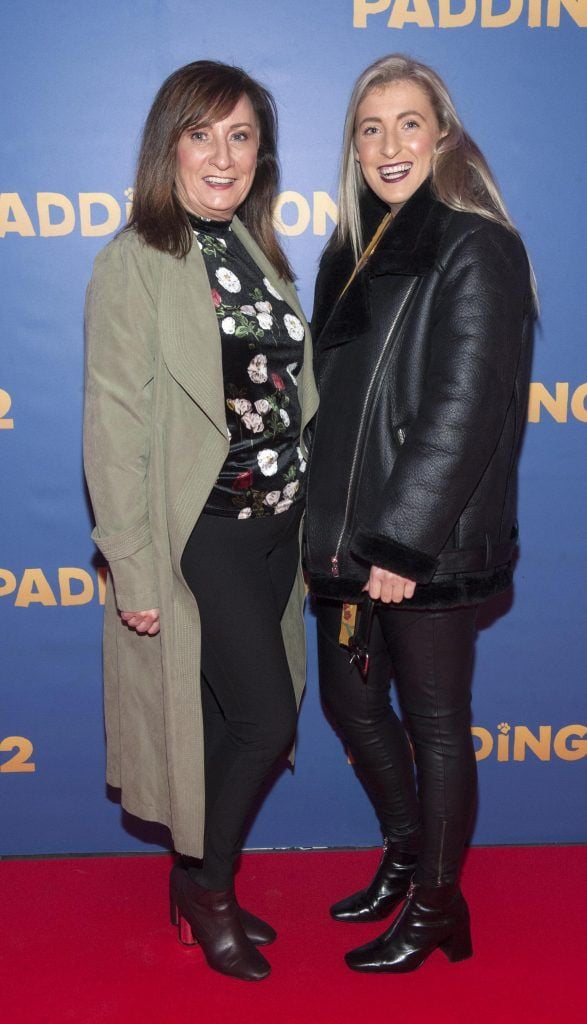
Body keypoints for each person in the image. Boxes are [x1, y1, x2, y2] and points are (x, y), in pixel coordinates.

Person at [84, 60, 318, 982]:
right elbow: (115, 425)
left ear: (261, 155)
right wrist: (134, 568)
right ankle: (205, 888)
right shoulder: (137, 259)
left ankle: (197, 872)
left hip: (275, 532)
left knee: (233, 716)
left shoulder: (256, 249)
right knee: (266, 718)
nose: (222, 156)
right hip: (204, 534)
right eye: (201, 134)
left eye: (242, 136)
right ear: (167, 146)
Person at [305, 53, 534, 973]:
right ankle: (407, 857)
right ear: (354, 148)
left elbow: (466, 402)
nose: (389, 144)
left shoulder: (474, 243)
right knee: (352, 703)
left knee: (434, 722)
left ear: (442, 135)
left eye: (408, 123)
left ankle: (438, 902)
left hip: (420, 543)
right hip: (349, 543)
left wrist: (403, 536)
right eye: (370, 127)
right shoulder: (353, 253)